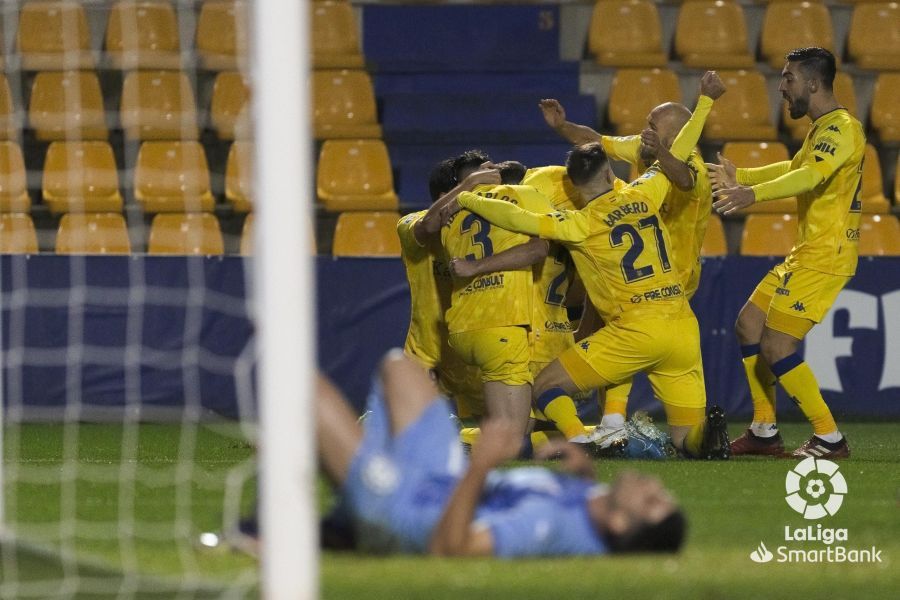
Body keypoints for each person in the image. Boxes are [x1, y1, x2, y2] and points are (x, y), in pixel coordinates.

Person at [446, 71, 730, 459]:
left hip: (636, 325)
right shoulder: (646, 192)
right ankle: (703, 439)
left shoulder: (579, 223)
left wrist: (468, 198)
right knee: (685, 440)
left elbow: (519, 220)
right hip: (681, 323)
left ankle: (585, 435)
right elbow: (669, 160)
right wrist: (706, 103)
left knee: (546, 385)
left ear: (573, 186)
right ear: (611, 173)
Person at [316, 350, 687, 556]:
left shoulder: (544, 526)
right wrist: (583, 475)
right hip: (440, 479)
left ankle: (358, 513)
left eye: (652, 501)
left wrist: (480, 465)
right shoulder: (595, 505)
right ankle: (347, 519)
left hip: (407, 509)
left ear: (620, 524)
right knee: (399, 367)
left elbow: (451, 548)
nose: (652, 485)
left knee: (304, 394)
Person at [709, 47, 864, 459]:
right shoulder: (822, 128)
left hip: (825, 256)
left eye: (788, 78)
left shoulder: (842, 129)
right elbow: (793, 167)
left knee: (777, 346)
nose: (781, 87)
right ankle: (764, 431)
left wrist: (750, 194)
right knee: (748, 325)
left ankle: (830, 438)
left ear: (813, 83)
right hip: (806, 252)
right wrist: (739, 175)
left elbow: (809, 176)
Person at [539, 90, 713, 449]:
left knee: (623, 333)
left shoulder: (691, 164)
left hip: (671, 275)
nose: (643, 132)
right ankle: (618, 421)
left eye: (653, 126)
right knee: (606, 323)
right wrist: (563, 126)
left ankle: (610, 420)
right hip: (637, 271)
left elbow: (681, 178)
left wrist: (665, 152)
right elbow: (598, 143)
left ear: (676, 138)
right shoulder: (647, 148)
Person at [447, 163, 593, 447]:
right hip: (559, 330)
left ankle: (582, 438)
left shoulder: (512, 226)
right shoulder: (560, 224)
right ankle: (586, 436)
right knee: (530, 424)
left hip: (529, 331)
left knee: (514, 433)